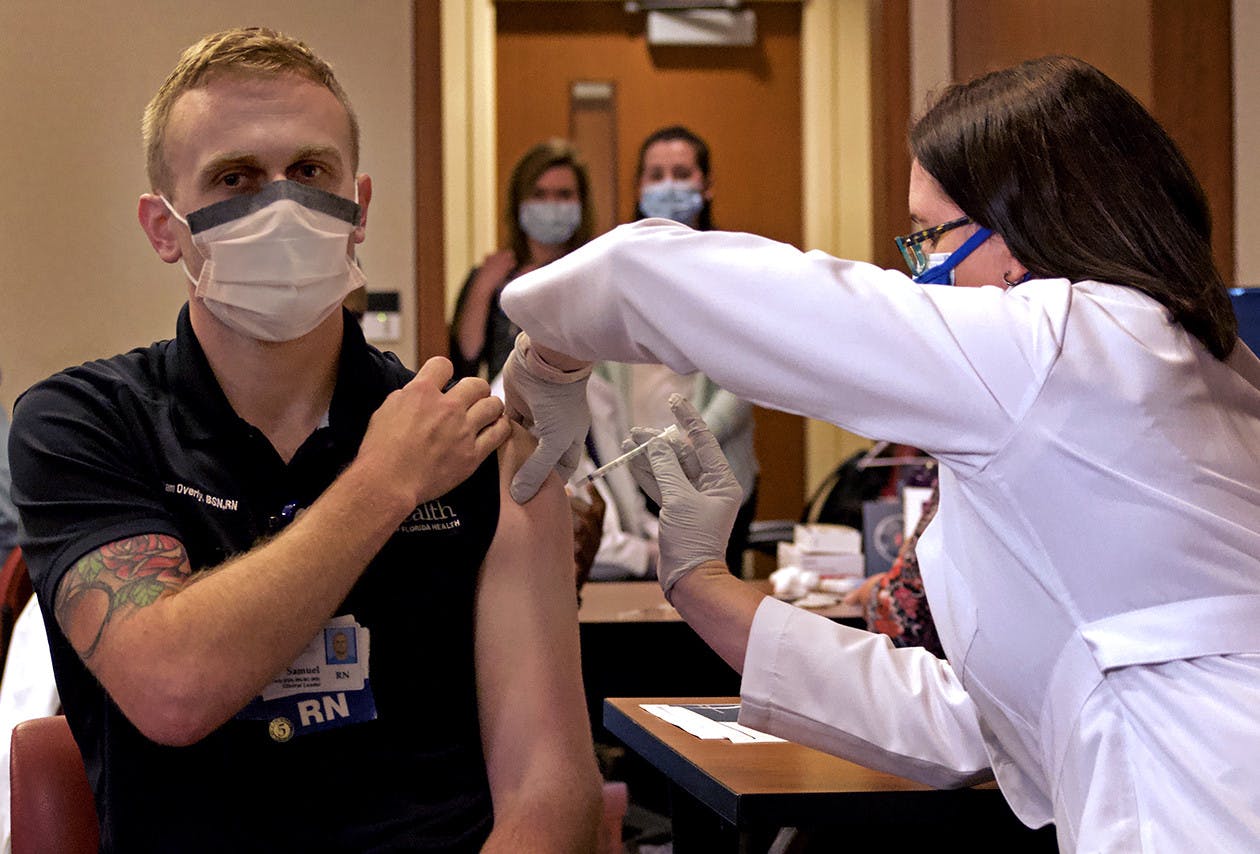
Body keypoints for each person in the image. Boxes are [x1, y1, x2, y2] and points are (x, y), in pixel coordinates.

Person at [497, 56, 1260, 851]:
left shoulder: (1052, 347)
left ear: (1029, 230)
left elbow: (639, 274)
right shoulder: (1181, 366)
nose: (920, 269)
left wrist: (545, 357)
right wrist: (700, 581)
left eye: (930, 235)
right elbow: (972, 721)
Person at [8, 27, 599, 853]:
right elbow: (172, 689)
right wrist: (381, 482)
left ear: (358, 208)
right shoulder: (83, 424)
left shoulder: (465, 436)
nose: (281, 203)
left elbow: (551, 794)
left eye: (310, 172)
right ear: (164, 227)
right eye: (235, 178)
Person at [601, 125, 759, 573]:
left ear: (706, 185)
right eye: (656, 174)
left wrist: (692, 437)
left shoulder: (731, 270)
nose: (668, 185)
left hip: (717, 475)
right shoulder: (615, 267)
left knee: (711, 608)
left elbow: (746, 376)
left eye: (681, 173)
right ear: (639, 186)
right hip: (637, 477)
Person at [449, 139, 595, 381]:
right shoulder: (490, 277)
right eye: (538, 194)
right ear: (519, 202)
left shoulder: (594, 271)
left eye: (564, 194)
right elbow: (464, 363)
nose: (551, 205)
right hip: (508, 409)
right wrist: (483, 289)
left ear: (582, 202)